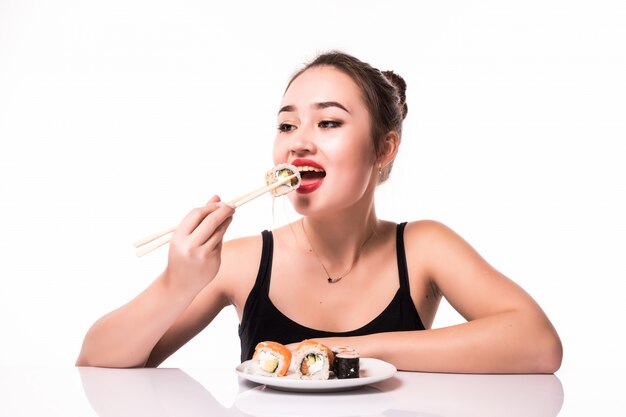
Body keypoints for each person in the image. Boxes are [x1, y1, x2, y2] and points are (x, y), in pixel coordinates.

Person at [76, 51, 562, 373]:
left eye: (329, 121)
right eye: (286, 125)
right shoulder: (243, 262)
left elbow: (538, 345)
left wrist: (346, 350)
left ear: (384, 148)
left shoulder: (423, 247)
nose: (299, 142)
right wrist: (176, 283)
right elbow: (95, 364)